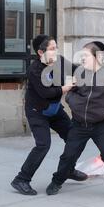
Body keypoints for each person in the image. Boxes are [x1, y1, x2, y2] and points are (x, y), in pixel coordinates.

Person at [45, 41, 104, 200]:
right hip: (79, 124)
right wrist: (75, 104)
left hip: (101, 125)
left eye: (85, 55)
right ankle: (57, 181)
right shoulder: (80, 73)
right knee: (69, 155)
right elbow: (70, 93)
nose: (82, 58)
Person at [11, 35, 88, 195]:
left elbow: (75, 69)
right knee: (43, 145)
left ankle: (68, 169)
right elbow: (45, 93)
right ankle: (21, 179)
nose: (55, 51)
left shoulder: (59, 61)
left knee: (75, 138)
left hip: (55, 110)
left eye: (56, 48)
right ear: (41, 52)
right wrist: (65, 88)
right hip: (37, 112)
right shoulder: (34, 70)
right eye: (52, 49)